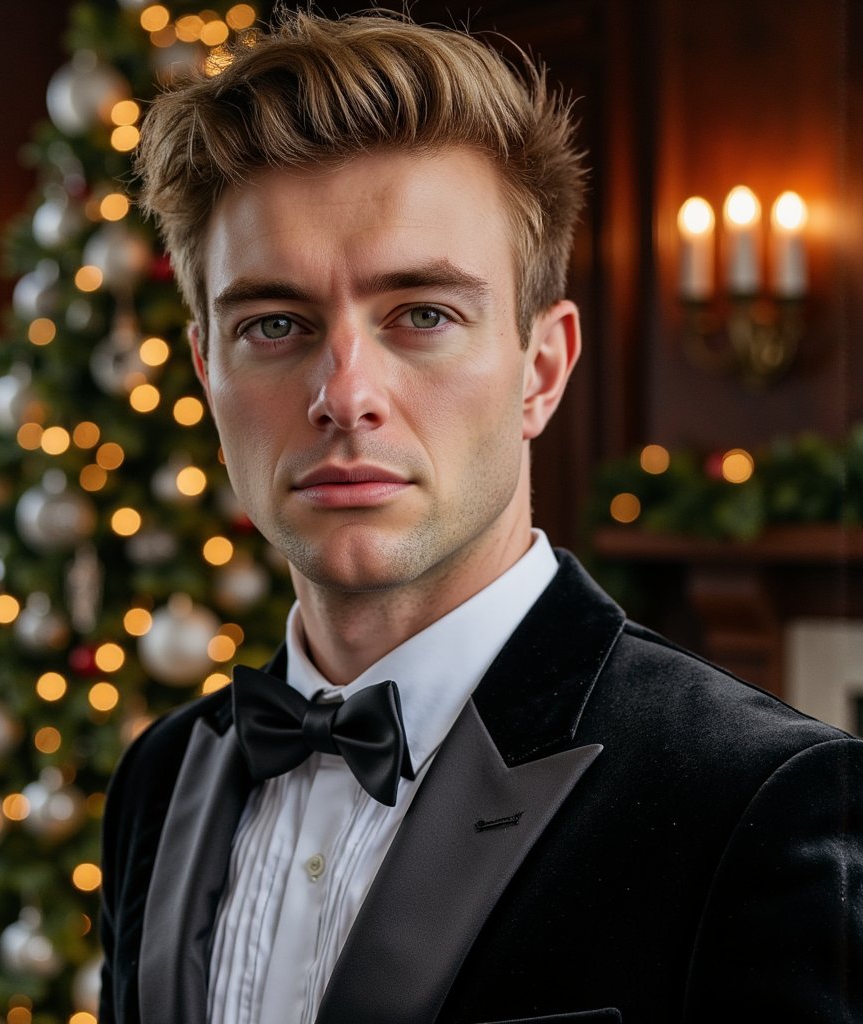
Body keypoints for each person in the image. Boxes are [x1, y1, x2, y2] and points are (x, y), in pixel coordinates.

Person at [99, 9, 863, 1023]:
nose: (345, 395)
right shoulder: (160, 776)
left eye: (423, 314)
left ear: (541, 368)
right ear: (206, 369)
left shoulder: (761, 801)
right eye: (274, 324)